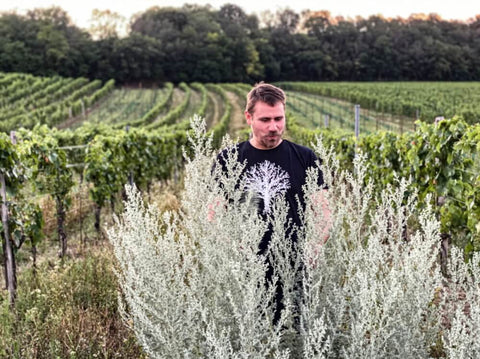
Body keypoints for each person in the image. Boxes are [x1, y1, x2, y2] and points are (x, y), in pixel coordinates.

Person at [212, 82, 331, 323]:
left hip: (295, 270)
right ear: (249, 117)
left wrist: (316, 244)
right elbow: (214, 216)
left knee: (297, 334)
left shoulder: (305, 157)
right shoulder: (229, 160)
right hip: (246, 272)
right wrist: (235, 248)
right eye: (265, 120)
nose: (274, 127)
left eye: (279, 118)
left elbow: (324, 211)